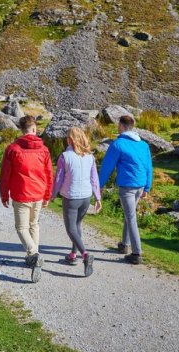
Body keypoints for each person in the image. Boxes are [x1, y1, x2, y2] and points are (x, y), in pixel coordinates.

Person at [0, 115, 53, 283]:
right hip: (38, 193)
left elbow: (5, 175)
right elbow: (49, 174)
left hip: (21, 194)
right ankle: (33, 257)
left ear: (22, 130)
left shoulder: (13, 149)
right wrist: (47, 194)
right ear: (34, 129)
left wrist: (4, 194)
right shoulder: (43, 149)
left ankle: (34, 254)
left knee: (21, 228)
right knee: (33, 225)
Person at [98, 115, 153, 265]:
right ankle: (124, 245)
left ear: (121, 126)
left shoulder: (118, 144)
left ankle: (136, 253)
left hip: (127, 186)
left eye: (118, 125)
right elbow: (149, 167)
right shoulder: (144, 145)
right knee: (130, 215)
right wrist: (147, 187)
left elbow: (106, 167)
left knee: (131, 217)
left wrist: (99, 185)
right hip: (140, 185)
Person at [50, 127, 102, 277]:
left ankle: (85, 255)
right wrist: (97, 198)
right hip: (86, 196)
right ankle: (73, 255)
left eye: (67, 137)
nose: (66, 139)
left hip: (71, 196)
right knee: (77, 225)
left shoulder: (65, 156)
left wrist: (53, 194)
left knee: (71, 228)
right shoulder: (90, 156)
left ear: (70, 140)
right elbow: (94, 179)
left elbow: (59, 178)